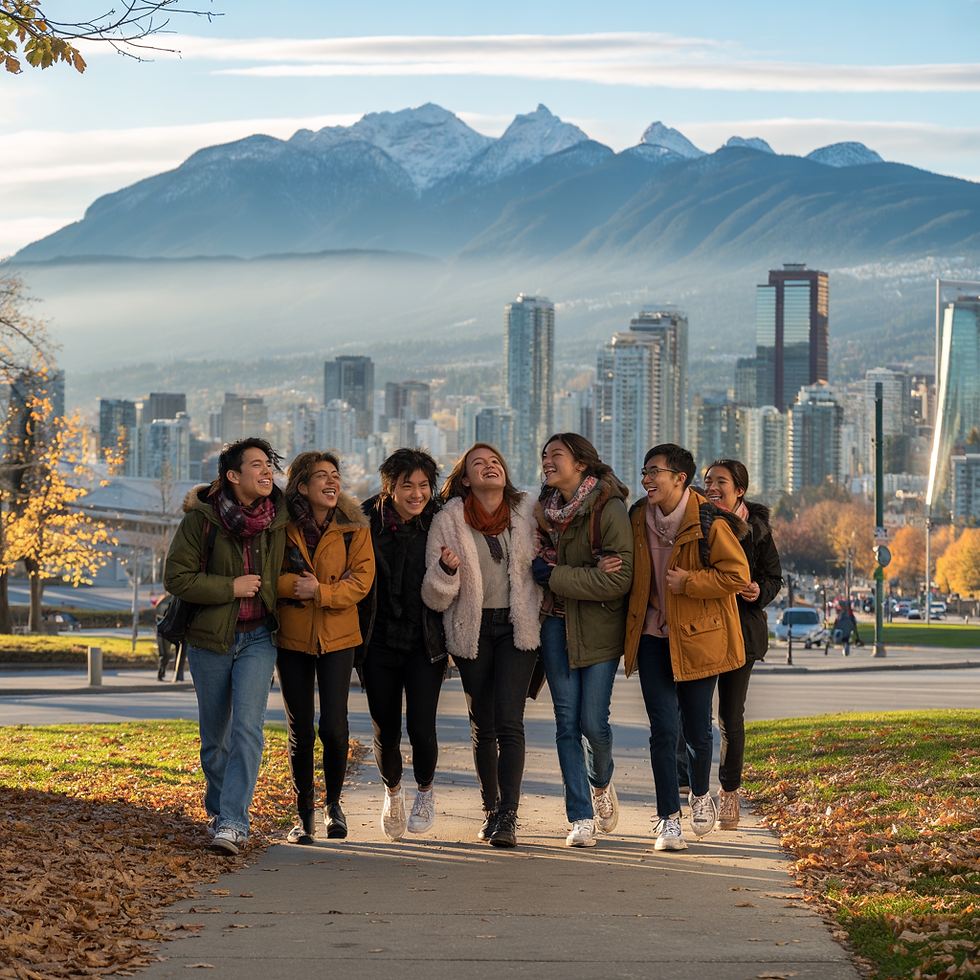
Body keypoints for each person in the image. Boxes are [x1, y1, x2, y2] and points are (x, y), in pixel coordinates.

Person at [164, 437, 289, 856]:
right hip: (210, 642)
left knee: (247, 729)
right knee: (214, 740)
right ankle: (220, 811)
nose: (267, 470)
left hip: (259, 638)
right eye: (256, 464)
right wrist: (230, 588)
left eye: (268, 463)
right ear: (233, 476)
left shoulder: (279, 518)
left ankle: (234, 822)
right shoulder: (202, 520)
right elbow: (176, 579)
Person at [624, 444, 750, 852]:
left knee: (697, 730)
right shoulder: (636, 519)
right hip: (651, 637)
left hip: (699, 636)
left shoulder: (709, 522)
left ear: (680, 479)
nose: (646, 480)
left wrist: (689, 582)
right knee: (663, 729)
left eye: (654, 472)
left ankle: (699, 793)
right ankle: (667, 820)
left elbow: (736, 575)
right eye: (644, 471)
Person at [421, 443, 542, 848]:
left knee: (510, 721)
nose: (490, 467)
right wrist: (444, 570)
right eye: (479, 464)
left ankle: (508, 815)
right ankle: (490, 808)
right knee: (483, 725)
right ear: (466, 478)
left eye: (496, 461)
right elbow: (436, 597)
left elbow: (547, 561)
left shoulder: (527, 512)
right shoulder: (448, 520)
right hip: (472, 629)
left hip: (516, 626)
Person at [533, 433, 634, 848]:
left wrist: (555, 575)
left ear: (582, 464)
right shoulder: (540, 512)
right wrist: (589, 570)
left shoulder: (608, 508)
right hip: (555, 625)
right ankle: (580, 816)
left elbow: (620, 579)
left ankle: (601, 782)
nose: (547, 461)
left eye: (556, 455)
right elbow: (532, 562)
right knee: (565, 723)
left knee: (594, 724)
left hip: (599, 629)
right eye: (544, 456)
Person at [275, 452, 375, 844]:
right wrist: (290, 586)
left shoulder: (354, 526)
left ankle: (334, 804)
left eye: (336, 475)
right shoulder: (281, 527)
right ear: (302, 486)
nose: (332, 482)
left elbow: (362, 579)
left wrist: (322, 591)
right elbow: (269, 575)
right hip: (292, 636)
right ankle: (304, 816)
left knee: (333, 728)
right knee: (300, 730)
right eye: (322, 477)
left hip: (338, 636)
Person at [358, 448, 447, 840]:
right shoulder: (363, 522)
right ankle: (393, 791)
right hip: (376, 642)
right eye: (406, 485)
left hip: (424, 642)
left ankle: (425, 792)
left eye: (423, 485)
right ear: (389, 487)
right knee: (386, 729)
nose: (416, 493)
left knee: (422, 728)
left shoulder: (441, 523)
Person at [703, 459, 783, 831]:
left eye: (721, 481)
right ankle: (692, 788)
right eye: (708, 481)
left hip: (742, 632)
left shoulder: (759, 529)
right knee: (693, 715)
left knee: (729, 718)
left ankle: (729, 791)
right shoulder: (695, 521)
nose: (713, 487)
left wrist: (759, 591)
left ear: (740, 490)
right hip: (701, 629)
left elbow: (773, 577)